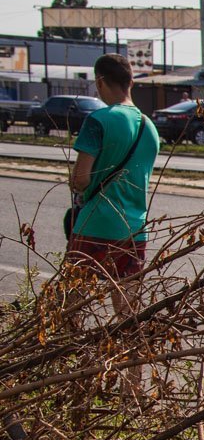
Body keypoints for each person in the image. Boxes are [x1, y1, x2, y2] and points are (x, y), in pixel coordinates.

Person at [67, 53, 160, 299]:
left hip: (95, 224)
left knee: (71, 306)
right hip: (134, 230)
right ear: (131, 82)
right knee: (127, 312)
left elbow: (81, 179)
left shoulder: (98, 120)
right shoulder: (149, 127)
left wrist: (74, 181)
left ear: (99, 82)